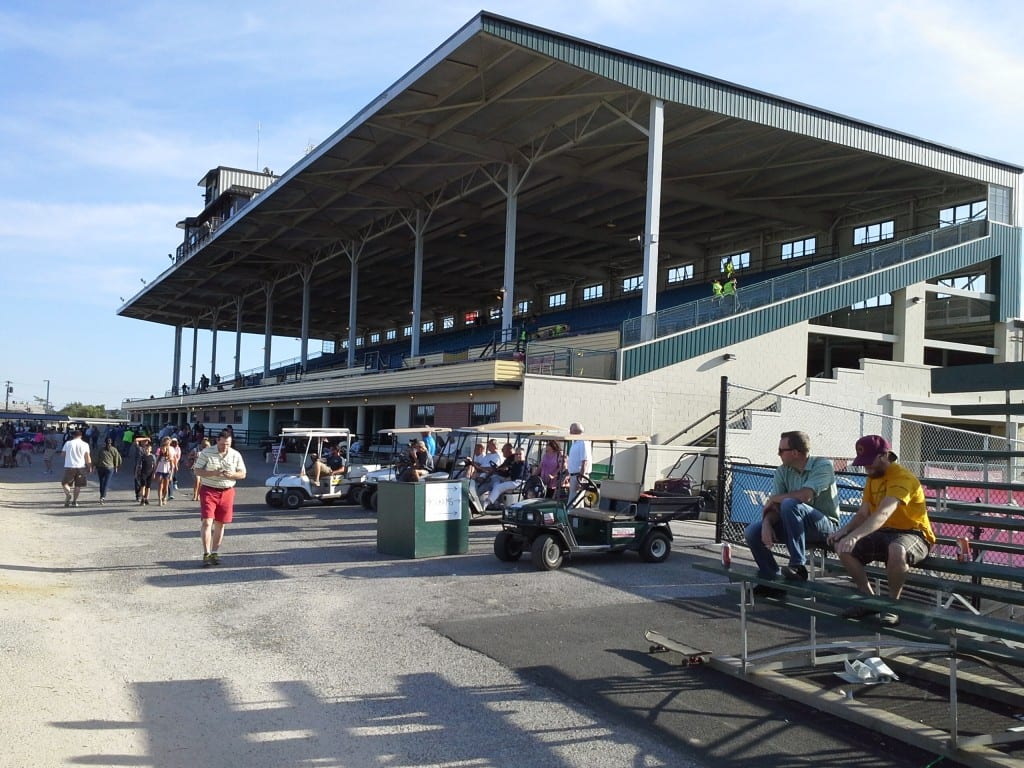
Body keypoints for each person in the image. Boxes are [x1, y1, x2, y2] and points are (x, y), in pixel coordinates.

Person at [828, 435, 935, 627]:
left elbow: (884, 512)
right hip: (884, 532)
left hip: (913, 533)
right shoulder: (872, 479)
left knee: (897, 550)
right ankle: (869, 600)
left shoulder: (903, 478)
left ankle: (892, 606)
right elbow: (863, 514)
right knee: (842, 547)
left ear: (885, 456)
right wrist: (843, 532)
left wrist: (855, 535)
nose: (866, 468)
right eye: (863, 463)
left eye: (869, 462)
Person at [742, 430, 839, 598]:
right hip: (794, 523)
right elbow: (775, 507)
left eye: (781, 450)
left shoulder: (823, 465)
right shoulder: (782, 471)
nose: (778, 454)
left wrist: (773, 499)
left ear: (795, 453)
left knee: (789, 503)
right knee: (752, 532)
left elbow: (804, 496)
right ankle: (771, 580)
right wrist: (766, 523)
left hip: (824, 526)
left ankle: (798, 566)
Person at [193, 431, 247, 567]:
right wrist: (213, 473)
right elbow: (197, 470)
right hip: (209, 489)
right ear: (217, 441)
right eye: (223, 444)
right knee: (207, 521)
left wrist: (232, 474)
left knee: (220, 523)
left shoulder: (235, 454)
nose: (225, 447)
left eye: (228, 444)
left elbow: (243, 474)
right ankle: (206, 553)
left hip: (227, 490)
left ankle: (215, 552)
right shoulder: (207, 452)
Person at [59, 429, 92, 507]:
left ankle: (68, 494)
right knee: (78, 485)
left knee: (64, 483)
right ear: (81, 436)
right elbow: (87, 457)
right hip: (81, 467)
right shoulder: (85, 444)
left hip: (70, 466)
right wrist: (89, 466)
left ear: (73, 435)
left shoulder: (68, 443)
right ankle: (75, 501)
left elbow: (62, 454)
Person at [566, 423, 591, 507]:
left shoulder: (583, 442)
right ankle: (577, 519)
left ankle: (570, 519)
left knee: (573, 502)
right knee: (578, 503)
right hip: (574, 476)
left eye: (571, 430)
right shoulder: (575, 442)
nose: (569, 432)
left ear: (575, 432)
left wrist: (581, 479)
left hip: (579, 476)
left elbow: (585, 461)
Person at [96, 437, 122, 503]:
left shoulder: (101, 449)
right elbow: (118, 459)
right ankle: (103, 497)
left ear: (105, 442)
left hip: (101, 467)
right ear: (111, 442)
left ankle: (101, 495)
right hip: (110, 468)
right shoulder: (114, 449)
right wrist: (116, 466)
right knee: (106, 483)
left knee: (101, 482)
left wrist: (95, 466)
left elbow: (97, 459)